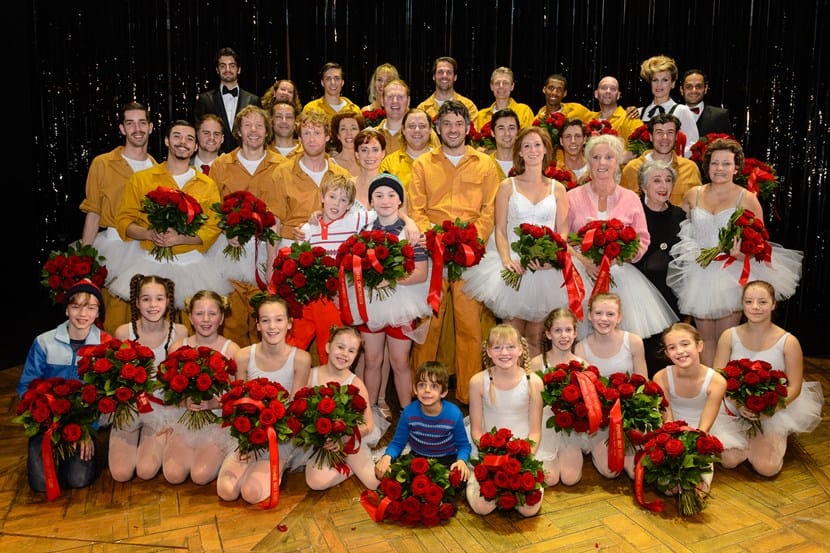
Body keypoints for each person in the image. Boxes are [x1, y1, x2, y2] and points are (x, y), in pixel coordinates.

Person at [667, 138, 802, 365]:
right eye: (715, 163)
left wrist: (745, 254)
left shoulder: (746, 198)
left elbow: (761, 241)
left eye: (726, 164)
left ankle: (723, 390)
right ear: (707, 166)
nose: (720, 169)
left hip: (731, 271)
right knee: (704, 338)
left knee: (726, 338)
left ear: (736, 167)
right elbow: (678, 227)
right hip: (700, 271)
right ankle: (709, 387)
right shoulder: (693, 194)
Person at [408, 100, 500, 404]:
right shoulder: (423, 164)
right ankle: (422, 393)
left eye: (459, 124)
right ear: (438, 127)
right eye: (446, 123)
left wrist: (471, 241)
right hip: (431, 254)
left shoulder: (485, 164)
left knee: (471, 329)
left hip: (470, 257)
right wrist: (436, 239)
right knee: (428, 328)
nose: (453, 129)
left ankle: (468, 396)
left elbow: (490, 210)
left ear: (468, 127)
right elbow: (417, 208)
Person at [462, 126, 572, 357]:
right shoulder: (507, 186)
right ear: (520, 152)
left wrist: (551, 260)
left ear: (546, 151)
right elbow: (500, 229)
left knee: (536, 336)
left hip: (546, 269)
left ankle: (531, 388)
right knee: (511, 335)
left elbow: (562, 232)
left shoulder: (558, 188)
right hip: (513, 265)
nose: (533, 150)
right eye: (527, 146)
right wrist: (506, 259)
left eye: (537, 145)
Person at [110, 119, 231, 311]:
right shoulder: (141, 179)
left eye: (189, 138)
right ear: (166, 141)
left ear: (195, 146)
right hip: (150, 262)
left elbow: (214, 226)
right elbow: (124, 220)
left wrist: (180, 238)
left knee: (193, 324)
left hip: (192, 265)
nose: (183, 142)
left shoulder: (207, 184)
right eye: (177, 136)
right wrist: (150, 234)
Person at [568, 134, 678, 341]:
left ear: (618, 162)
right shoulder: (571, 197)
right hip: (580, 274)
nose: (602, 163)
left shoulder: (630, 198)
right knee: (578, 338)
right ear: (587, 161)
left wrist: (620, 257)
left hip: (620, 276)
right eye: (596, 157)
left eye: (609, 157)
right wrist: (584, 261)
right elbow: (562, 237)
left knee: (620, 340)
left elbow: (642, 238)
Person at [714, 281, 823, 476]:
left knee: (767, 468)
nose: (755, 307)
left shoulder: (788, 342)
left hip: (772, 409)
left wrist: (768, 410)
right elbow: (719, 378)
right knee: (728, 461)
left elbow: (795, 386)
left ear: (773, 304)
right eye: (749, 301)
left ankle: (769, 439)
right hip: (735, 406)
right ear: (743, 304)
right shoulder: (728, 336)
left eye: (762, 302)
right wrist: (739, 404)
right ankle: (751, 442)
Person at [216, 296, 312, 504]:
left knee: (251, 493)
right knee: (226, 491)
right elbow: (238, 403)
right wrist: (246, 440)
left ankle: (273, 465)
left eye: (278, 320)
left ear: (289, 323)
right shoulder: (243, 356)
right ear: (258, 325)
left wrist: (268, 434)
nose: (272, 326)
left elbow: (294, 409)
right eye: (265, 320)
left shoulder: (301, 359)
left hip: (280, 437)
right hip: (248, 433)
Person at [18, 279, 110, 493]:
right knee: (40, 484)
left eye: (90, 307)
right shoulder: (44, 342)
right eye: (75, 306)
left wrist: (88, 429)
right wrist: (45, 420)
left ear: (98, 313)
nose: (82, 313)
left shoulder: (106, 345)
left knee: (78, 479)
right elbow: (26, 387)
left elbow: (106, 397)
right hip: (48, 422)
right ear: (66, 310)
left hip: (84, 425)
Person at [353, 174, 430, 418]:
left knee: (399, 361)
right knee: (372, 360)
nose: (385, 200)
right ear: (371, 201)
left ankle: (409, 413)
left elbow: (420, 273)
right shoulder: (364, 230)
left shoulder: (411, 231)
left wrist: (391, 279)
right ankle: (371, 410)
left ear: (399, 201)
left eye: (391, 195)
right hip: (372, 303)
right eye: (378, 195)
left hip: (401, 304)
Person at [208, 105, 283, 347]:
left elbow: (280, 215)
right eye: (247, 125)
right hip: (229, 251)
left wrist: (272, 264)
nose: (253, 130)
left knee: (265, 321)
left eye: (259, 125)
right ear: (238, 131)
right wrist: (226, 229)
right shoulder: (221, 165)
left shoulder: (281, 165)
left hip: (266, 250)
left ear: (267, 130)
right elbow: (212, 208)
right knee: (231, 321)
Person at [79, 101, 156, 334]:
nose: (137, 129)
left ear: (151, 127)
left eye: (142, 122)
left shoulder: (157, 167)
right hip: (114, 248)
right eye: (130, 123)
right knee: (113, 318)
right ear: (122, 129)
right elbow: (93, 213)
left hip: (147, 247)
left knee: (148, 315)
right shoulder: (102, 164)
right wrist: (84, 260)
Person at [109, 274, 187, 482]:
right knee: (121, 473)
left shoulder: (179, 332)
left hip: (161, 409)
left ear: (168, 301)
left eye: (159, 298)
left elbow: (180, 380)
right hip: (131, 405)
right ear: (136, 302)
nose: (153, 305)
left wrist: (173, 414)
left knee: (146, 470)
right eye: (146, 299)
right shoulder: (123, 332)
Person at [652, 323, 745, 493]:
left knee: (699, 489)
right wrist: (672, 442)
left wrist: (692, 445)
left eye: (685, 344)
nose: (680, 351)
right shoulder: (661, 377)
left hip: (702, 430)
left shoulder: (717, 381)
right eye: (672, 347)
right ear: (667, 353)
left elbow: (704, 428)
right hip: (672, 429)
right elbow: (667, 417)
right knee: (669, 489)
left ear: (699, 345)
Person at [466, 324, 546, 516]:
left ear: (520, 349)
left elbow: (535, 431)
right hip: (488, 451)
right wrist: (492, 455)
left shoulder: (533, 382)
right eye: (497, 347)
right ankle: (472, 477)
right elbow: (476, 430)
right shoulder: (478, 381)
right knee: (482, 508)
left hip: (524, 452)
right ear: (488, 351)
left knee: (529, 510)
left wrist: (523, 458)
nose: (504, 353)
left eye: (510, 347)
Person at [162, 290, 240, 486]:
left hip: (217, 421)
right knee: (173, 475)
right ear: (190, 317)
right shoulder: (178, 347)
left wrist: (213, 403)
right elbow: (170, 390)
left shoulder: (232, 350)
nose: (206, 320)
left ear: (221, 318)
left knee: (200, 476)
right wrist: (184, 400)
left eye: (212, 314)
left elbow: (237, 394)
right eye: (199, 313)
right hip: (186, 419)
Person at [574, 293, 647, 479]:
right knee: (611, 470)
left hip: (631, 414)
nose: (604, 319)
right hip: (601, 420)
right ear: (589, 315)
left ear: (619, 317)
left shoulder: (633, 342)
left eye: (610, 314)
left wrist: (632, 412)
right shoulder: (581, 349)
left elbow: (643, 383)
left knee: (634, 471)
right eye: (598, 313)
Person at [303, 326, 380, 491]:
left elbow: (368, 425)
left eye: (351, 351)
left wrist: (343, 437)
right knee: (315, 482)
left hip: (349, 439)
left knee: (373, 483)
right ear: (327, 347)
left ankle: (368, 460)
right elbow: (301, 411)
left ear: (356, 356)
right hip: (319, 443)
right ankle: (350, 467)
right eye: (340, 347)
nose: (345, 354)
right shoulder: (310, 375)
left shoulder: (356, 384)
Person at [267, 109, 353, 254]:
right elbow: (274, 222)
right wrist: (271, 262)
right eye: (306, 133)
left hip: (332, 245)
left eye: (317, 133)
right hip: (291, 245)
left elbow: (350, 218)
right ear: (299, 139)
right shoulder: (282, 173)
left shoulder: (342, 175)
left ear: (327, 137)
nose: (312, 139)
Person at [373, 361, 471, 482]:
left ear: (444, 392)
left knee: (459, 480)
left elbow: (464, 445)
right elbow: (398, 442)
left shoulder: (454, 414)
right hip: (418, 458)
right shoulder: (409, 412)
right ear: (415, 389)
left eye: (434, 386)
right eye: (422, 385)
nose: (427, 390)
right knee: (391, 474)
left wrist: (461, 460)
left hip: (446, 458)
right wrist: (387, 456)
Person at [633, 160, 687, 376]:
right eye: (656, 180)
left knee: (667, 349)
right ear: (644, 186)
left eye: (668, 180)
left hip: (670, 293)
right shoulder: (634, 212)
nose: (663, 185)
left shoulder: (680, 217)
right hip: (638, 294)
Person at [528, 308, 587, 486]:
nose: (564, 336)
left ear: (575, 333)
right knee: (550, 479)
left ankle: (567, 454)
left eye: (568, 330)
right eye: (557, 330)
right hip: (544, 425)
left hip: (571, 430)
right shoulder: (537, 363)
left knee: (571, 479)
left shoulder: (582, 365)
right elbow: (529, 399)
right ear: (548, 334)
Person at [620, 113, 702, 205]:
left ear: (676, 137)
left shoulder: (690, 169)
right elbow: (622, 206)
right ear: (651, 137)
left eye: (670, 132)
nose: (665, 137)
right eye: (659, 132)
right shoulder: (632, 169)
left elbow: (698, 205)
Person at [193, 47, 261, 154]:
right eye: (223, 66)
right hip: (214, 158)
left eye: (232, 66)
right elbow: (199, 132)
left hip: (246, 157)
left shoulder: (253, 100)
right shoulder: (205, 99)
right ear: (217, 70)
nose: (227, 70)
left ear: (239, 69)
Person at [636, 54, 698, 158]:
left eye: (664, 80)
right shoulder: (639, 112)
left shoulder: (682, 111)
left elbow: (692, 146)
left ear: (673, 83)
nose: (659, 85)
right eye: (655, 80)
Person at [378, 108, 438, 195]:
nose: (417, 130)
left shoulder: (443, 160)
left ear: (430, 130)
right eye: (411, 126)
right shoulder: (389, 164)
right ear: (403, 130)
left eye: (422, 126)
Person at [587, 76, 643, 162]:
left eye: (613, 89)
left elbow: (640, 147)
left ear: (618, 95)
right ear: (596, 94)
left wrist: (612, 162)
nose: (608, 91)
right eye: (604, 88)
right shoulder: (588, 118)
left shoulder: (629, 118)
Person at [416, 56, 478, 124]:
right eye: (440, 72)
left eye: (449, 72)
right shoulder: (422, 109)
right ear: (434, 76)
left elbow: (473, 133)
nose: (444, 76)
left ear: (455, 77)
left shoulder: (468, 106)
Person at [476, 67, 534, 131]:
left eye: (505, 83)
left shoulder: (524, 111)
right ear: (491, 87)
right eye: (497, 83)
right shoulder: (481, 116)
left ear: (512, 86)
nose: (501, 86)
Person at [680, 69, 734, 137]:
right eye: (689, 87)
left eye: (698, 86)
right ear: (681, 90)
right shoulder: (673, 115)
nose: (694, 90)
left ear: (705, 89)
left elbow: (729, 145)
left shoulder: (720, 116)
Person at [374, 79, 414, 154]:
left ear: (408, 101)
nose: (395, 101)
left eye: (400, 97)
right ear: (382, 101)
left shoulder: (422, 134)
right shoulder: (372, 135)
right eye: (390, 97)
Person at [352, 128, 386, 210]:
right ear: (357, 154)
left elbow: (403, 220)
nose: (370, 155)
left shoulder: (394, 187)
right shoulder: (347, 186)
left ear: (383, 153)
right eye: (364, 150)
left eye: (375, 150)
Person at [328, 111, 365, 177]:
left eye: (353, 128)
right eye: (343, 129)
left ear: (360, 132)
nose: (349, 133)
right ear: (338, 135)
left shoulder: (368, 161)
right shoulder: (331, 164)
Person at [488, 108, 520, 180]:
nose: (507, 133)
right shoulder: (485, 164)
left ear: (518, 132)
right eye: (501, 128)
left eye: (511, 128)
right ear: (492, 133)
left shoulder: (526, 163)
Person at [555, 118, 589, 186]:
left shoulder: (595, 168)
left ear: (584, 139)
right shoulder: (554, 172)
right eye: (568, 136)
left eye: (577, 136)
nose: (573, 141)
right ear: (561, 141)